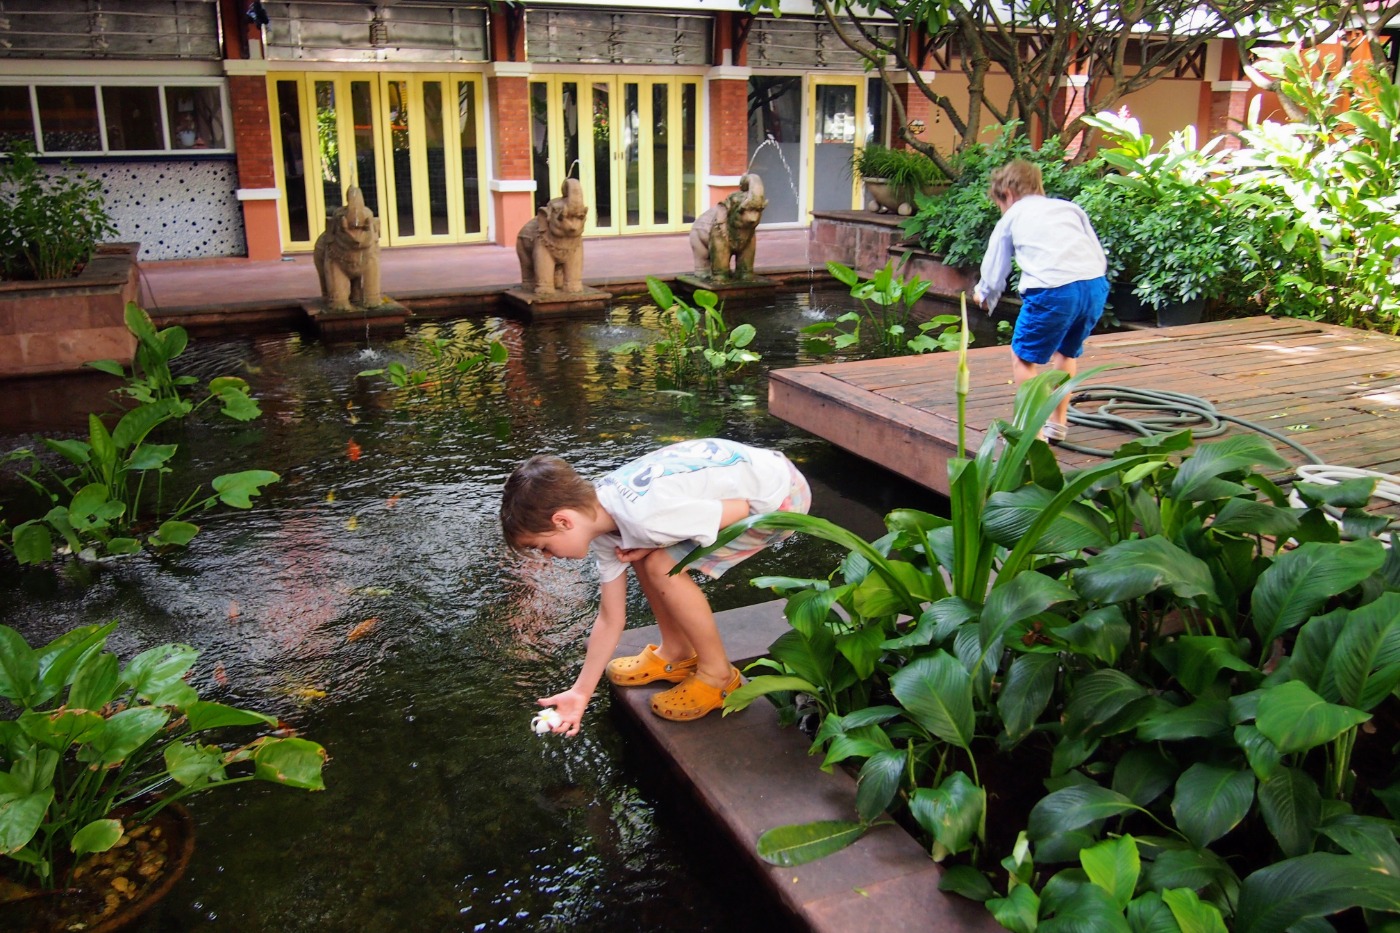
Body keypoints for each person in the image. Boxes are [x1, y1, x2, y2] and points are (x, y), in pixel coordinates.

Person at [500, 438, 811, 735]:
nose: (548, 557)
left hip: (779, 497)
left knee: (661, 566)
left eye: (543, 547)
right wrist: (581, 692)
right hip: (747, 478)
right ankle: (676, 652)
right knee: (643, 554)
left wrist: (662, 540)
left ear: (563, 521)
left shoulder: (647, 517)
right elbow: (611, 618)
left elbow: (741, 508)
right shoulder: (603, 511)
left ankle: (718, 676)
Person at [973, 158, 1109, 442]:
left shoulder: (1013, 215)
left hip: (1053, 290)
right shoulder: (1069, 208)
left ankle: (1032, 434)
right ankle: (1057, 424)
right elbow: (1096, 251)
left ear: (1007, 194)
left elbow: (996, 264)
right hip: (1094, 284)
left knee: (1022, 357)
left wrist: (984, 293)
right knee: (1066, 352)